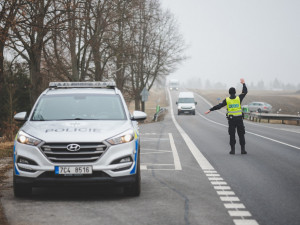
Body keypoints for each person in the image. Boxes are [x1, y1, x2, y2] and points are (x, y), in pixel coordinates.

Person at [205, 78, 248, 155]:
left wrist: (210, 110)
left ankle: (232, 150)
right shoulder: (239, 98)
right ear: (235, 92)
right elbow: (245, 92)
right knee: (241, 134)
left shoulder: (227, 100)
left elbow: (219, 106)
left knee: (232, 135)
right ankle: (243, 150)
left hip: (231, 120)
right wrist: (243, 83)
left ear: (229, 93)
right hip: (239, 119)